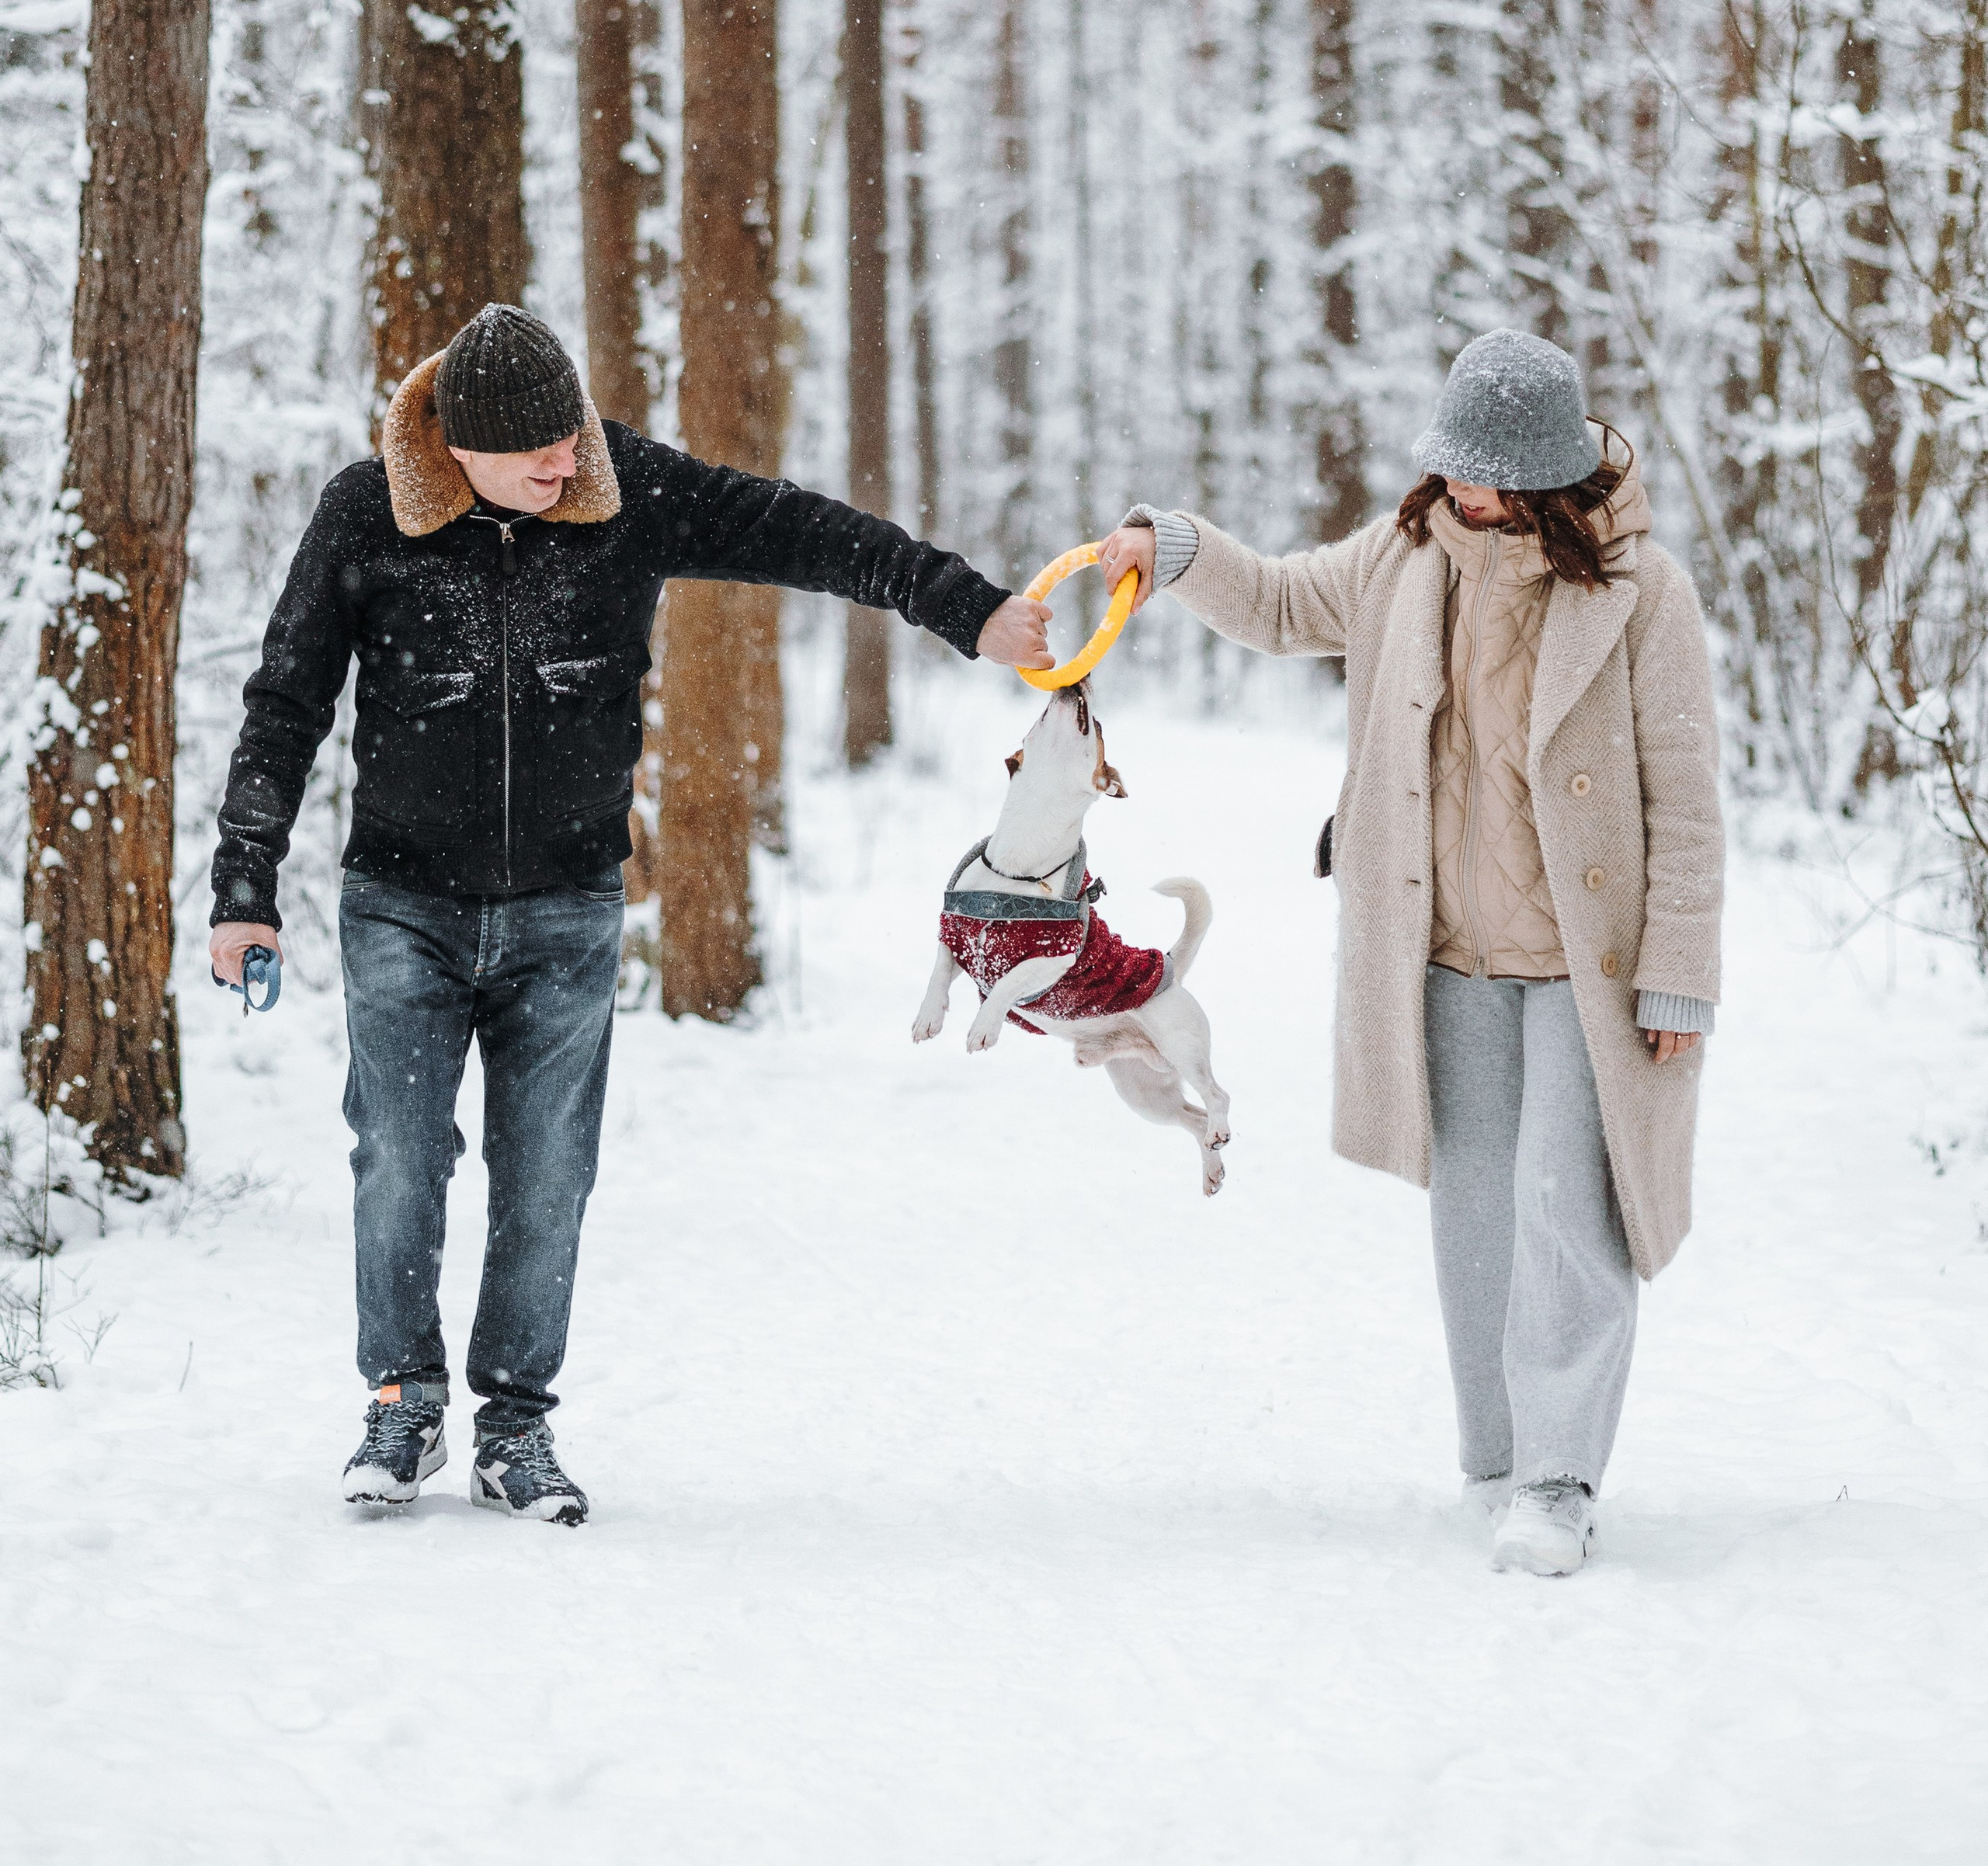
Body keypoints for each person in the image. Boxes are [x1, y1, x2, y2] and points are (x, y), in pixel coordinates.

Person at [209, 304, 1051, 1523]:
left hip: (568, 907)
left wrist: (963, 608)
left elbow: (803, 530)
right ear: (461, 448)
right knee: (399, 1155)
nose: (570, 462)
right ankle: (402, 1401)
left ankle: (515, 1424)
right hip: (403, 904)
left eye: (574, 439)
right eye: (540, 451)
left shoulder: (621, 487)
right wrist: (246, 887)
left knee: (548, 1172)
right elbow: (286, 700)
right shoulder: (367, 512)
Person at [1097, 328, 1723, 1577]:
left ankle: (1558, 1478)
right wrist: (1174, 548)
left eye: (1490, 473)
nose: (1465, 490)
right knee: (1480, 1213)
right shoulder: (1402, 559)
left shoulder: (1642, 593)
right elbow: (1278, 603)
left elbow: (1689, 798)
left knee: (1571, 1210)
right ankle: (1496, 1461)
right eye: (1454, 466)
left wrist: (1681, 972)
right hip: (1441, 954)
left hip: (1584, 965)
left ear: (1550, 473)